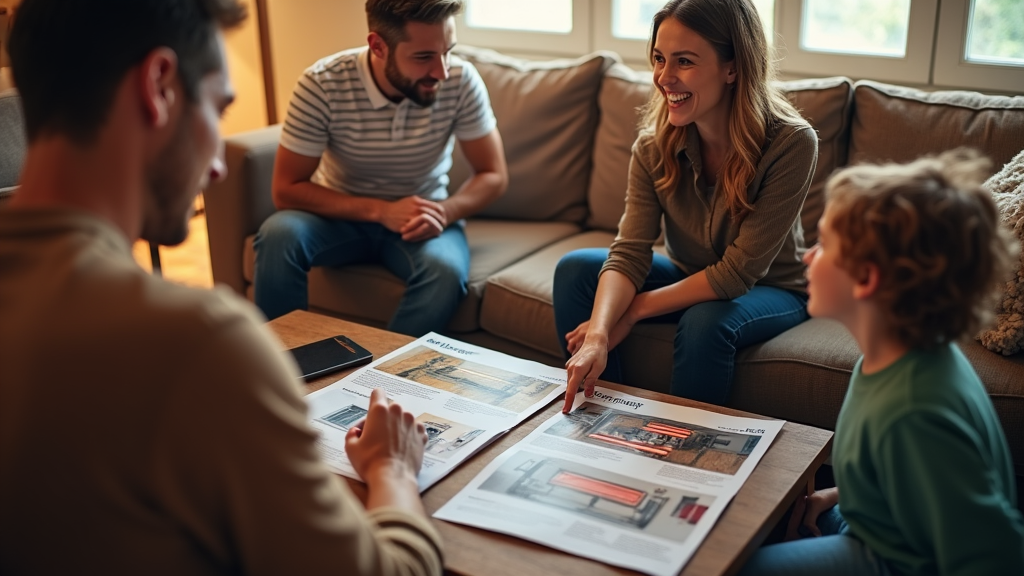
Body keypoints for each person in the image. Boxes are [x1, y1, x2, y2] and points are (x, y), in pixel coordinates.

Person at [0, 1, 441, 574]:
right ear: (158, 87)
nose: (217, 166)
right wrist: (393, 470)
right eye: (217, 108)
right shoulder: (199, 342)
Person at [739, 149, 1024, 576]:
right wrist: (837, 495)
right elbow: (902, 480)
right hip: (864, 524)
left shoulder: (916, 409)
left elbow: (996, 553)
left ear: (867, 278)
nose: (807, 257)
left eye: (824, 244)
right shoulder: (897, 356)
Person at [553, 0, 817, 410]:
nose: (664, 77)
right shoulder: (653, 145)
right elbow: (629, 252)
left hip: (771, 288)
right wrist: (598, 335)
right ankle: (599, 413)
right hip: (686, 270)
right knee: (576, 270)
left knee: (704, 321)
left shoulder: (791, 143)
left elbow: (737, 274)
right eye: (659, 58)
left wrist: (633, 311)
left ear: (733, 67)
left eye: (684, 62)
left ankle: (680, 452)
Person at [253, 0, 507, 335]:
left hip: (423, 217)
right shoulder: (322, 84)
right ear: (378, 46)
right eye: (423, 57)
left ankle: (378, 378)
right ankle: (283, 372)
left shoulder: (461, 80)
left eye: (448, 52)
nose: (442, 71)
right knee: (278, 235)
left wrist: (444, 212)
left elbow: (494, 174)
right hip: (338, 218)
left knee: (445, 272)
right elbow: (286, 188)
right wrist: (382, 211)